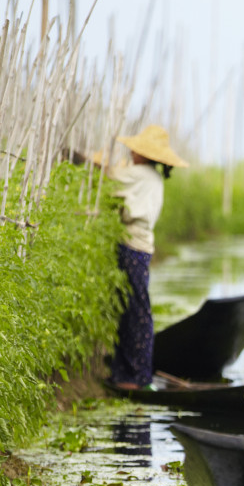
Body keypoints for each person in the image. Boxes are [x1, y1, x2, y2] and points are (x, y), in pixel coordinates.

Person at [105, 125, 188, 390]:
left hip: (132, 245)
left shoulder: (140, 174)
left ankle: (137, 376)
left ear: (144, 154)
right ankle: (128, 373)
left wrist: (84, 160)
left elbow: (110, 179)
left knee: (136, 310)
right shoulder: (152, 177)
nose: (131, 152)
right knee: (133, 307)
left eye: (135, 149)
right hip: (140, 246)